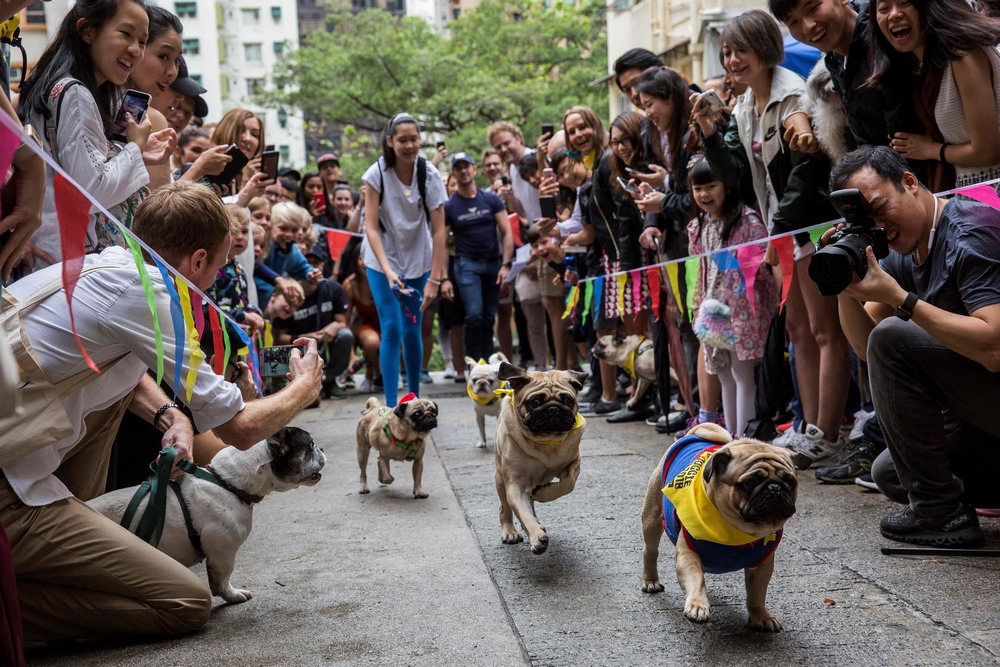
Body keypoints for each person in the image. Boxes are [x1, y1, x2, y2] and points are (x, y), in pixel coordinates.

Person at [0, 181, 323, 641]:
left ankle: (65, 542)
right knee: (185, 604)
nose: (215, 277)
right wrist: (303, 388)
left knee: (123, 399)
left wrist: (171, 415)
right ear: (196, 261)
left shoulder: (104, 265)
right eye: (219, 263)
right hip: (11, 489)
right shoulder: (148, 297)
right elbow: (241, 428)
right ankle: (14, 605)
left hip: (15, 447)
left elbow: (117, 370)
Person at [693, 11, 850, 461]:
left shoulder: (794, 95)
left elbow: (805, 178)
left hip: (813, 227)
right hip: (781, 232)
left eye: (739, 50)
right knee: (799, 329)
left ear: (764, 49)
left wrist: (775, 238)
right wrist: (710, 135)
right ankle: (807, 426)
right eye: (726, 51)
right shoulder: (745, 106)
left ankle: (829, 432)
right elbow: (740, 180)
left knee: (825, 330)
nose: (731, 59)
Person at [826, 145, 1000, 548]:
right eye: (865, 220)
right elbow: (866, 348)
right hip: (980, 422)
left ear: (909, 182)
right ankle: (940, 504)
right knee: (891, 470)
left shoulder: (970, 231)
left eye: (880, 207)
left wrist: (904, 301)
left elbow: (994, 349)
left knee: (894, 335)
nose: (878, 225)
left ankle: (944, 515)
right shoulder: (906, 249)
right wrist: (845, 290)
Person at [18, 0, 177, 269]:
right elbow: (94, 190)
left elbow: (78, 170)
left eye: (142, 41)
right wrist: (134, 148)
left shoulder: (61, 86)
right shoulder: (75, 93)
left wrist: (129, 151)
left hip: (52, 254)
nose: (134, 50)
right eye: (126, 34)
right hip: (63, 261)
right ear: (88, 31)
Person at [362, 112, 450, 406]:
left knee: (413, 328)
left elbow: (439, 230)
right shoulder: (376, 174)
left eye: (414, 139)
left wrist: (435, 279)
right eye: (402, 140)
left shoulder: (430, 174)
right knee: (392, 327)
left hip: (418, 257)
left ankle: (414, 399)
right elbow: (371, 226)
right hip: (380, 258)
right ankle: (389, 405)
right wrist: (388, 272)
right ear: (390, 141)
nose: (409, 145)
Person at [687, 158, 778, 438]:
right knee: (724, 375)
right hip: (712, 311)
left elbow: (764, 265)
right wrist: (696, 303)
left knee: (742, 374)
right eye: (697, 188)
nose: (704, 195)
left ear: (726, 186)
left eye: (711, 186)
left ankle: (744, 438)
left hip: (741, 310)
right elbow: (697, 269)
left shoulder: (747, 222)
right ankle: (731, 437)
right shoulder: (698, 225)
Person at [866, 0, 1000, 189]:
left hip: (991, 194)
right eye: (884, 9)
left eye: (905, 3)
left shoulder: (963, 56)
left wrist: (929, 149)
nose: (894, 14)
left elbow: (987, 152)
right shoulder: (923, 66)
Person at [445, 152, 513, 362]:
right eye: (459, 168)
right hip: (467, 264)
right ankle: (473, 363)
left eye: (467, 166)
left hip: (493, 264)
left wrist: (506, 264)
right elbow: (441, 242)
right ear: (454, 174)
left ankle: (488, 362)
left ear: (474, 170)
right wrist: (443, 277)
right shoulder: (450, 206)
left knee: (489, 316)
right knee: (474, 314)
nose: (464, 171)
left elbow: (507, 232)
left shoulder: (490, 199)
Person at [487, 121, 542, 222]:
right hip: (536, 230)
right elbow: (524, 210)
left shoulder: (538, 159)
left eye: (506, 143)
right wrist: (510, 197)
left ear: (518, 139)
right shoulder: (512, 169)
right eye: (498, 147)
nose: (503, 149)